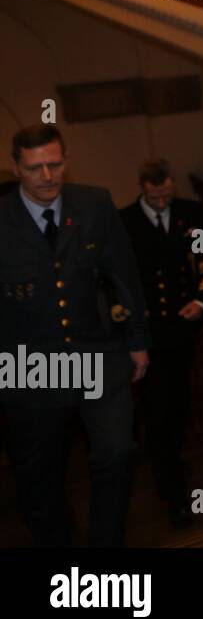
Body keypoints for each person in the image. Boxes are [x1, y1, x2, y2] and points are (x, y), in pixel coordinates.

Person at [0, 125, 149, 546]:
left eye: (55, 164)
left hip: (96, 351)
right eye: (34, 168)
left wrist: (137, 338)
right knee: (39, 473)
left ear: (66, 160)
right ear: (16, 168)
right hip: (31, 364)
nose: (47, 176)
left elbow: (124, 273)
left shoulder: (94, 203)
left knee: (118, 454)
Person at [118, 159, 203, 529]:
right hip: (147, 333)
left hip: (182, 328)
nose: (161, 200)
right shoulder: (126, 222)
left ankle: (171, 458)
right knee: (157, 409)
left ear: (172, 186)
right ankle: (173, 492)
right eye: (154, 194)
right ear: (143, 187)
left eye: (166, 193)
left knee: (179, 402)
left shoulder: (190, 214)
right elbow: (117, 277)